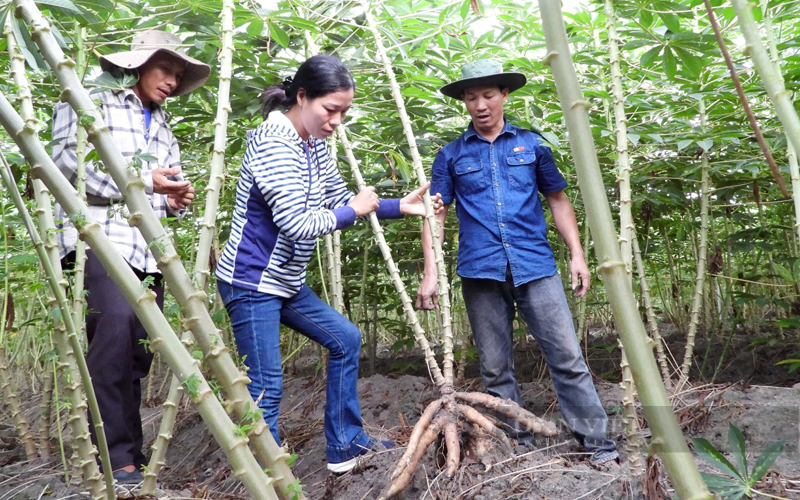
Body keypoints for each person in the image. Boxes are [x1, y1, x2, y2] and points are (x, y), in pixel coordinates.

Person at [215, 54, 442, 474]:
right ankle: (269, 479)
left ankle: (345, 446)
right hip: (250, 281)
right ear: (302, 97)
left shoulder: (315, 145)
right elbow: (297, 224)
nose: (336, 120)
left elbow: (340, 201)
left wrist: (397, 205)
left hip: (283, 281)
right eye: (330, 109)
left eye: (343, 112)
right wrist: (355, 210)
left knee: (345, 339)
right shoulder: (273, 139)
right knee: (265, 387)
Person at [415, 59, 619, 465]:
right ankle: (517, 446)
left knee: (567, 359)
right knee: (494, 369)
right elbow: (433, 213)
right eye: (471, 98)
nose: (480, 105)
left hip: (535, 266)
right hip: (480, 270)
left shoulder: (533, 145)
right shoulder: (450, 156)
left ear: (504, 95)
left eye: (488, 95)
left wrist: (578, 256)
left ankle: (599, 447)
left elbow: (558, 200)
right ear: (465, 103)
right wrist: (431, 272)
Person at [52, 30, 210, 483]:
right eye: (166, 71)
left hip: (145, 251)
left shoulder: (161, 125)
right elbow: (67, 162)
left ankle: (130, 457)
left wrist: (172, 199)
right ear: (139, 64)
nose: (172, 83)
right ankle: (114, 457)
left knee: (139, 351)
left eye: (179, 76)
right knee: (113, 340)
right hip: (99, 240)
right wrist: (143, 181)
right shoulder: (93, 96)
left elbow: (156, 194)